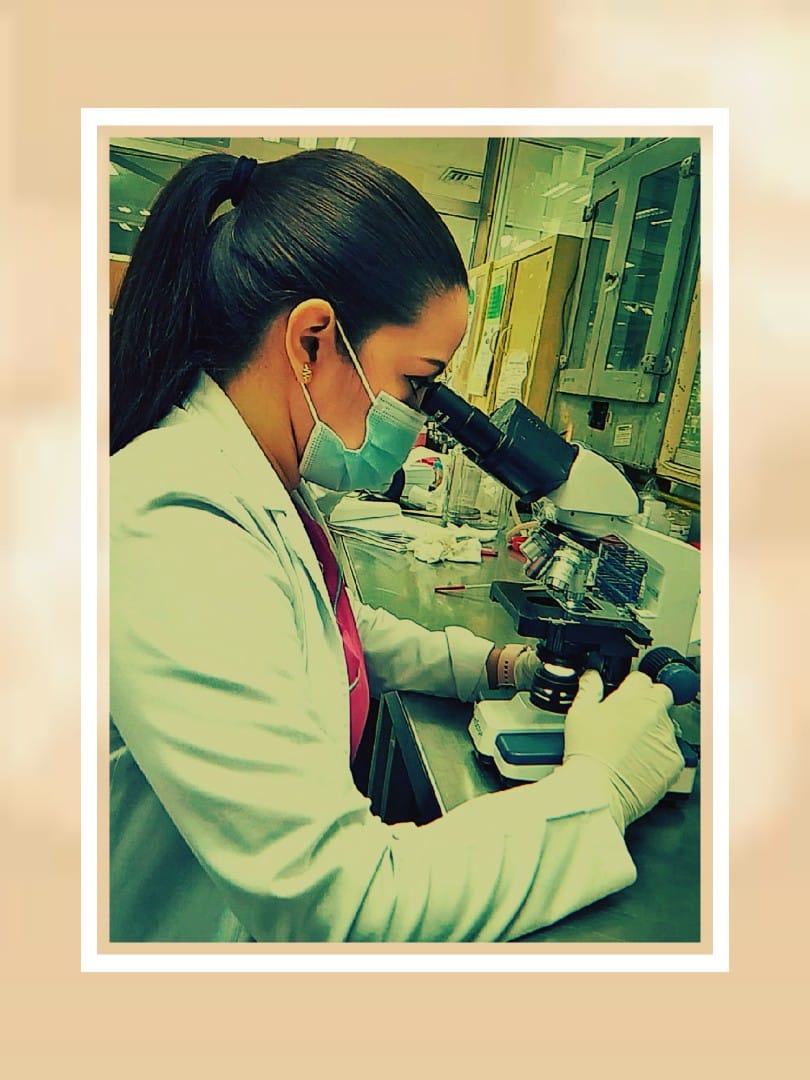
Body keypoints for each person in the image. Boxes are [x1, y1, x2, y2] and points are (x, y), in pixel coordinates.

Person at [109, 148, 684, 943]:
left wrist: (499, 665)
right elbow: (346, 906)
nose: (419, 417)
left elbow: (328, 634)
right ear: (312, 340)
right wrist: (600, 790)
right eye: (417, 382)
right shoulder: (178, 522)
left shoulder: (253, 475)